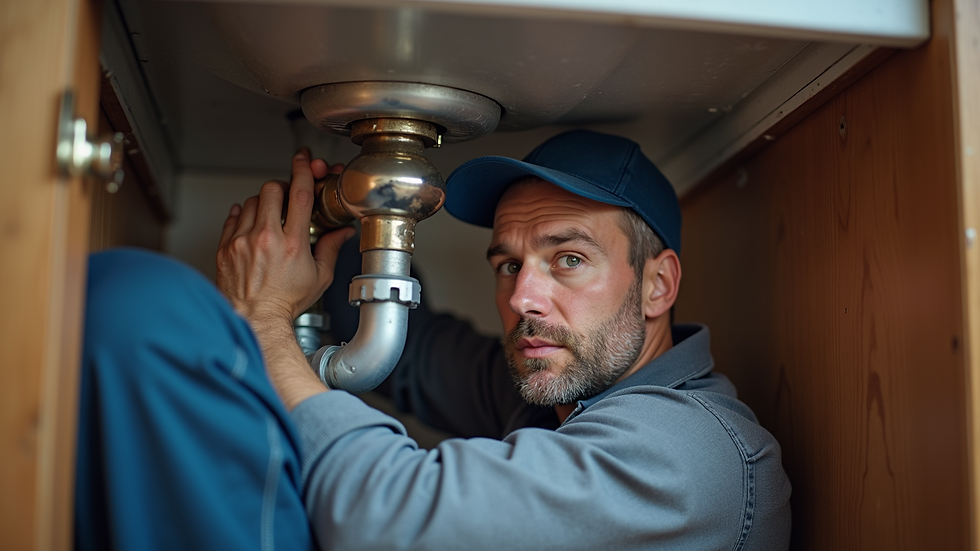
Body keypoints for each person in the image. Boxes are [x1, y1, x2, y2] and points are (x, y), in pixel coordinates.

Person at [75, 130, 791, 550]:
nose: (522, 297)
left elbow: (388, 517)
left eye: (568, 259)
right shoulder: (564, 391)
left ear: (658, 284)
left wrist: (264, 319)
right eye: (508, 263)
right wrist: (346, 216)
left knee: (146, 308)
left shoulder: (690, 455)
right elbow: (414, 356)